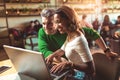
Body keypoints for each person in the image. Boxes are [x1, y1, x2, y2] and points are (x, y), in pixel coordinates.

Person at [38, 8, 117, 60]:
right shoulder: (42, 31)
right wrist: (56, 58)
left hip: (75, 66)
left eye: (50, 23)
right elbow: (44, 49)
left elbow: (93, 33)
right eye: (44, 23)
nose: (46, 27)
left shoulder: (69, 30)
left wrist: (107, 51)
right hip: (60, 63)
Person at [46, 6, 95, 80]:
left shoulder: (79, 40)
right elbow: (63, 50)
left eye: (58, 22)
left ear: (69, 19)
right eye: (56, 22)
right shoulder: (70, 34)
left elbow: (91, 69)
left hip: (83, 76)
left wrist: (70, 64)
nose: (56, 26)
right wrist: (52, 55)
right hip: (74, 72)